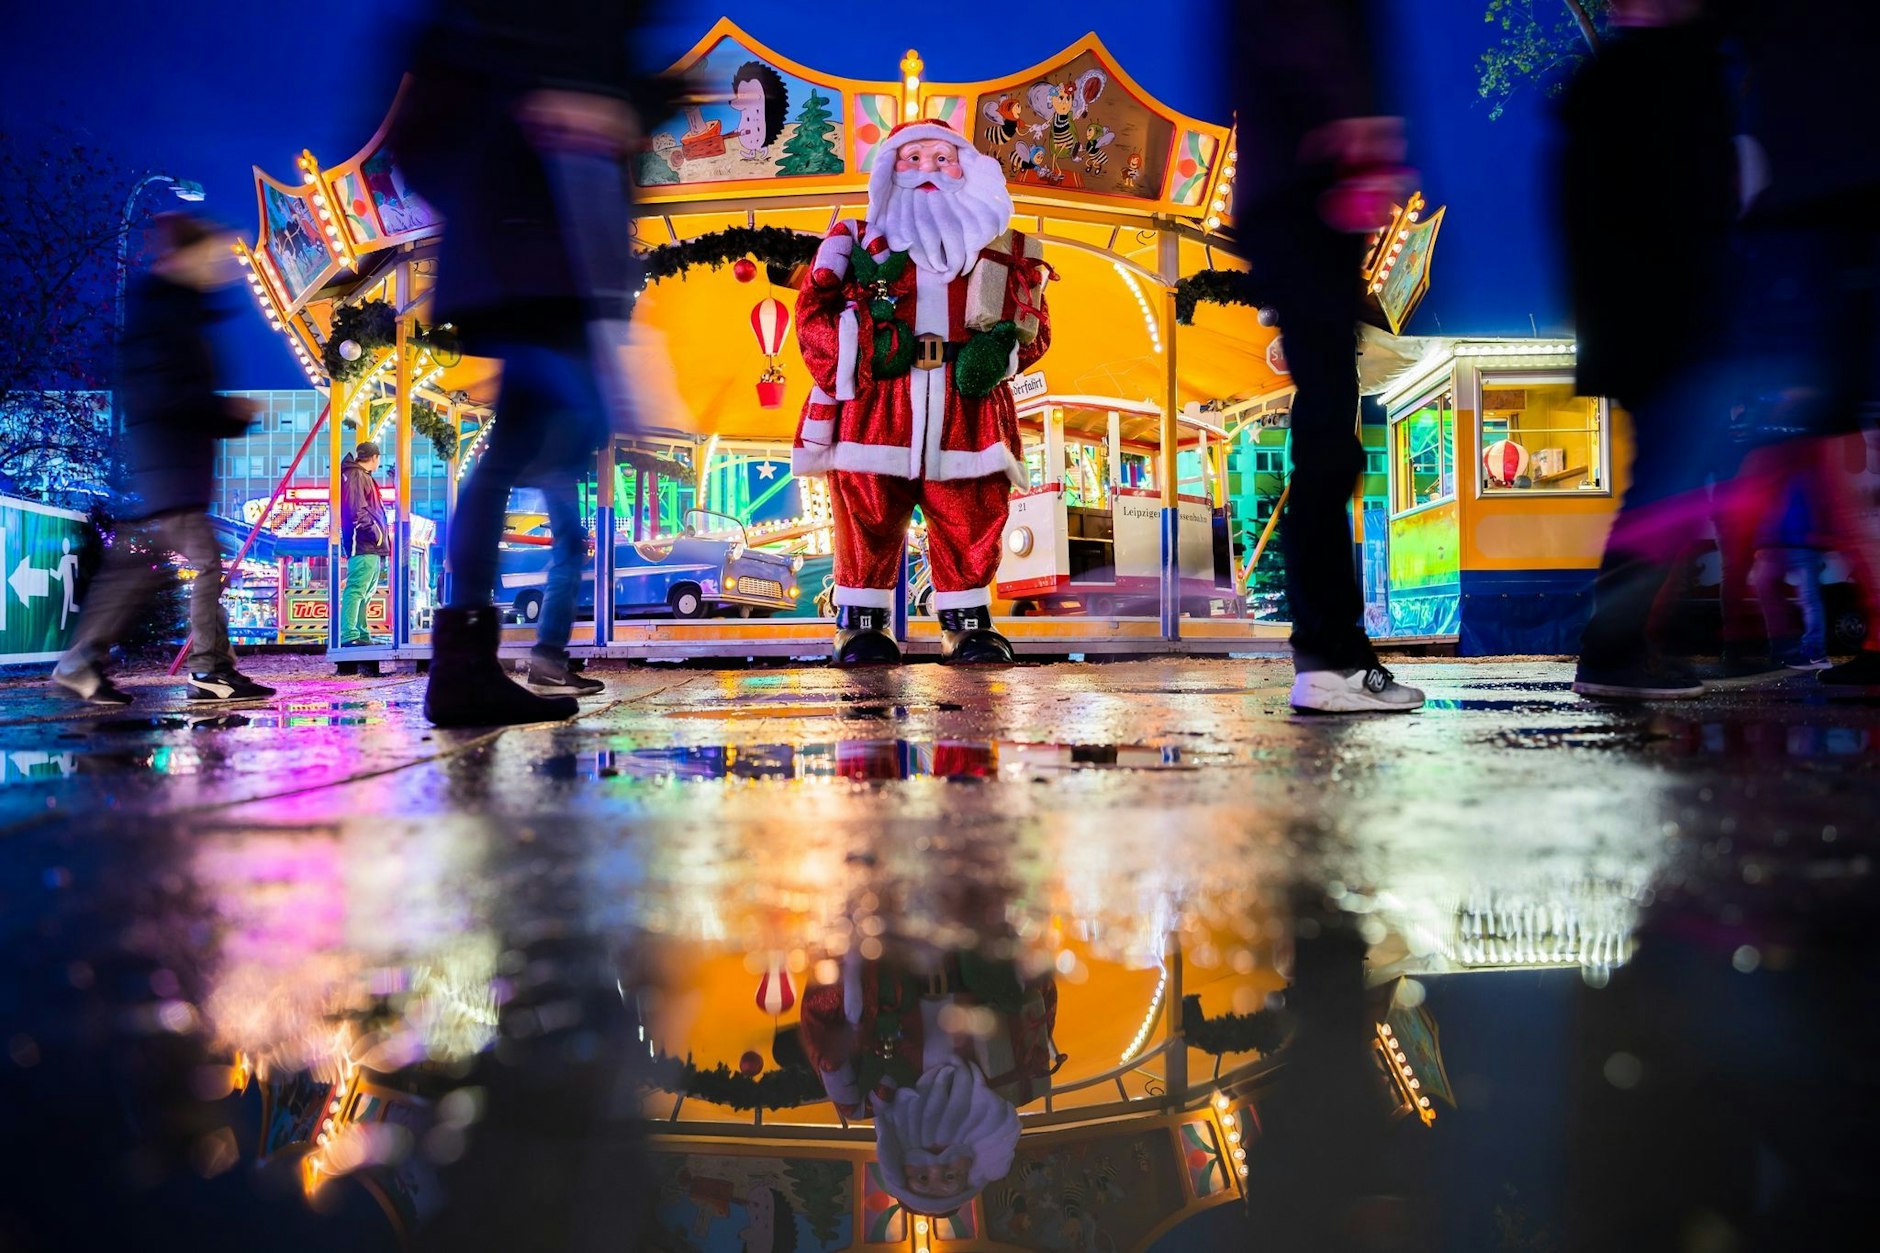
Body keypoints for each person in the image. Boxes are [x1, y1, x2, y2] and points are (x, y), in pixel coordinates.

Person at [393, 0, 674, 725]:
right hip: (525, 257)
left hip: (567, 262)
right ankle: (471, 656)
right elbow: (419, 132)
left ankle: (466, 658)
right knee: (566, 422)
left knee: (547, 431)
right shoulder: (476, 30)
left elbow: (633, 74)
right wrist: (530, 122)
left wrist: (629, 107)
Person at [791, 118, 1051, 666]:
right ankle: (861, 626)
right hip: (877, 408)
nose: (927, 171)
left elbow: (1036, 328)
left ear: (968, 170)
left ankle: (967, 626)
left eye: (941, 158)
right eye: (911, 159)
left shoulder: (1003, 250)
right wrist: (859, 344)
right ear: (889, 170)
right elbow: (813, 313)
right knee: (866, 512)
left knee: (973, 514)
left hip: (968, 406)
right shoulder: (853, 245)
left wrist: (1000, 352)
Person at [1228, 1, 1424, 712]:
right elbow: (1308, 38)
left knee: (1328, 431)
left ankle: (1334, 651)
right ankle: (1329, 655)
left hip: (1295, 196)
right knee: (1329, 439)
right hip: (1310, 198)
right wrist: (1358, 128)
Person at [1560, 0, 1743, 700]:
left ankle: (1622, 643)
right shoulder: (1657, 77)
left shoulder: (1616, 78)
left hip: (1639, 318)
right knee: (1668, 485)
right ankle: (1614, 646)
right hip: (1668, 316)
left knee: (1668, 482)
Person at [50, 213, 275, 706]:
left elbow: (175, 392)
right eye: (213, 256)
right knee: (206, 562)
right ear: (187, 257)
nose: (221, 267)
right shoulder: (164, 315)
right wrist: (225, 410)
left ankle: (80, 662)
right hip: (169, 464)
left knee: (132, 569)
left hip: (171, 464)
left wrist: (225, 415)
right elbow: (167, 393)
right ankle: (208, 670)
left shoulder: (174, 312)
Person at [1752, 482, 1832, 670]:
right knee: (1805, 598)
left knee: (1799, 598)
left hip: (1792, 539)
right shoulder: (1806, 467)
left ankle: (1807, 651)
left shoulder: (1790, 467)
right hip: (1792, 539)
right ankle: (1801, 650)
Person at [337, 440, 389, 647]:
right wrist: (375, 532)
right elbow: (356, 510)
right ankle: (351, 634)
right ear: (375, 457)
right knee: (358, 589)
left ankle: (359, 633)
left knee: (364, 591)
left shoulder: (357, 474)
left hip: (368, 544)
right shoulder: (357, 475)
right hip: (363, 543)